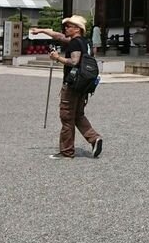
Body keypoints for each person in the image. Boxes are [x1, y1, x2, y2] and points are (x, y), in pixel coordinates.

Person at [31, 15, 103, 159]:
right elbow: (58, 36)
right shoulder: (84, 42)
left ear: (77, 29)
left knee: (67, 117)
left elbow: (74, 61)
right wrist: (40, 30)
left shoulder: (74, 44)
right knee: (78, 115)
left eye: (69, 26)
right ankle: (94, 139)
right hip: (83, 84)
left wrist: (57, 58)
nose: (66, 28)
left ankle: (67, 151)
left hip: (72, 84)